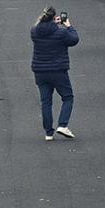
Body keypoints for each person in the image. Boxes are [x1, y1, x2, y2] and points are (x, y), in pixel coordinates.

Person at [31, 7, 79, 141]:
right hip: (58, 71)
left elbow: (41, 27)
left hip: (40, 72)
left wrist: (52, 23)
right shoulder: (61, 33)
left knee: (46, 101)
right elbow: (74, 40)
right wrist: (69, 26)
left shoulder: (35, 31)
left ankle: (48, 133)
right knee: (67, 97)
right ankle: (62, 125)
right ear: (54, 18)